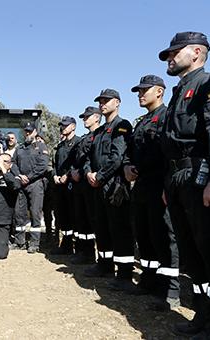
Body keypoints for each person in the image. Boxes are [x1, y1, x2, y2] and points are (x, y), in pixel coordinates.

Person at [159, 32, 210, 339]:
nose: (169, 57)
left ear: (196, 52)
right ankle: (204, 314)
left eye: (174, 52)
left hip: (202, 177)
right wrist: (169, 186)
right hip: (179, 181)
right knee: (193, 255)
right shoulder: (180, 91)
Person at [124, 75, 180, 310]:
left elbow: (168, 153)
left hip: (159, 184)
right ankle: (149, 279)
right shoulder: (143, 121)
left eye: (144, 90)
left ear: (159, 91)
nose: (140, 94)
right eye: (138, 91)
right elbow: (131, 150)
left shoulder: (167, 116)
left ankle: (171, 290)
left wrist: (168, 186)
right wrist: (127, 166)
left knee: (164, 236)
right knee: (144, 234)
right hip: (142, 186)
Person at [83, 89, 135, 292]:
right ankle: (104, 265)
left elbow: (117, 157)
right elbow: (87, 157)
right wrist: (89, 173)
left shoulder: (122, 126)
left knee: (119, 229)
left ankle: (124, 274)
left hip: (114, 185)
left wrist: (100, 176)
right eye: (100, 101)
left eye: (107, 101)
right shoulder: (98, 132)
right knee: (101, 227)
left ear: (117, 103)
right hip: (97, 185)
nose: (102, 104)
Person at [69, 106, 101, 265]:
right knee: (82, 220)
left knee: (92, 220)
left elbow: (92, 160)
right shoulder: (85, 138)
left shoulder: (100, 135)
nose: (84, 119)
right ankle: (84, 251)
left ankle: (92, 254)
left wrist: (82, 173)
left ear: (96, 117)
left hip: (91, 182)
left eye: (87, 117)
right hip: (80, 184)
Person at [12, 122, 48, 253]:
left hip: (35, 184)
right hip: (22, 185)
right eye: (26, 131)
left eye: (30, 131)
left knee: (35, 214)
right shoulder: (19, 148)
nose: (27, 133)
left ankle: (34, 243)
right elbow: (13, 164)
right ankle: (19, 242)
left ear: (35, 132)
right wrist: (19, 175)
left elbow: (43, 165)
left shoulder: (41, 146)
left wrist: (29, 177)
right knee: (19, 214)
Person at [51, 116, 81, 255]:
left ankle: (79, 247)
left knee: (74, 214)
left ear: (73, 127)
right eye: (61, 125)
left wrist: (67, 175)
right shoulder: (61, 145)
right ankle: (66, 245)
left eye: (65, 125)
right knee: (62, 216)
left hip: (72, 184)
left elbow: (78, 163)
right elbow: (56, 164)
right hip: (59, 185)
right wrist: (55, 175)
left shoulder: (78, 142)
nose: (62, 128)